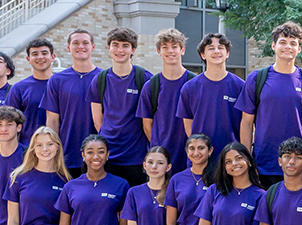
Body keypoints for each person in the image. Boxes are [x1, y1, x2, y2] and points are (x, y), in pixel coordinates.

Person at [239, 22, 302, 179]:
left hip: (300, 166)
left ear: (299, 49)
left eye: (293, 43)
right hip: (264, 165)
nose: (288, 47)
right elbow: (246, 123)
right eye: (282, 42)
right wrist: (248, 161)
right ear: (273, 46)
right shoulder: (257, 79)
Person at [85, 28, 150, 186]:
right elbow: (97, 121)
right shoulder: (100, 80)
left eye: (125, 45)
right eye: (115, 45)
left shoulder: (144, 78)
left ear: (133, 49)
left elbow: (149, 120)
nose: (120, 50)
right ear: (108, 48)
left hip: (136, 156)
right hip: (108, 157)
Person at [41, 30, 100, 174]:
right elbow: (52, 121)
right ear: (68, 48)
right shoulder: (57, 80)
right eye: (75, 43)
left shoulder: (104, 78)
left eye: (85, 43)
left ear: (93, 47)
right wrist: (53, 153)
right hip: (68, 156)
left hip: (99, 156)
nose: (81, 46)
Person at [179, 33, 245, 162]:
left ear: (227, 53)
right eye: (210, 48)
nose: (216, 51)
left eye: (220, 48)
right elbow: (188, 127)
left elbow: (247, 124)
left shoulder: (240, 86)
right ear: (203, 55)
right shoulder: (189, 88)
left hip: (232, 159)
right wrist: (200, 149)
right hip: (201, 160)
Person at [138, 28, 195, 172]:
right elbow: (146, 124)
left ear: (182, 50)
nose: (170, 51)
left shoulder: (195, 82)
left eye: (174, 46)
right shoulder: (152, 85)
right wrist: (159, 149)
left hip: (191, 156)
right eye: (165, 47)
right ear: (159, 51)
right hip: (161, 159)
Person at [5, 38, 57, 145]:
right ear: (28, 59)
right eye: (35, 54)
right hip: (28, 149)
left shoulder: (62, 85)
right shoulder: (19, 88)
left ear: (53, 57)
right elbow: (10, 123)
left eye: (44, 53)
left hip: (60, 149)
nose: (40, 57)